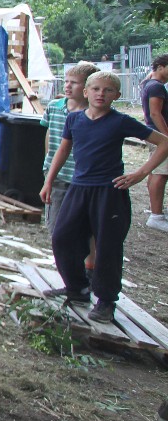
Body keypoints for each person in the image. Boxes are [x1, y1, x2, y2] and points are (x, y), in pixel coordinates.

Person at [41, 71, 168, 323]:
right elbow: (63, 150)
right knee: (63, 238)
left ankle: (106, 301)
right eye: (96, 89)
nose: (101, 94)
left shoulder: (120, 121)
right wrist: (48, 181)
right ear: (86, 92)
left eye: (108, 90)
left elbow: (163, 142)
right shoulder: (74, 119)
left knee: (108, 246)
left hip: (110, 192)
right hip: (79, 188)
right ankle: (77, 288)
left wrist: (141, 173)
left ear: (117, 95)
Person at [41, 61, 99, 235]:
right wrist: (48, 164)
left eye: (74, 82)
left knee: (83, 226)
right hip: (57, 175)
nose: (67, 86)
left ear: (87, 88)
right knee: (55, 225)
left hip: (83, 177)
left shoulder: (95, 113)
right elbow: (49, 135)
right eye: (66, 81)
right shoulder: (54, 107)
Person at [139, 55, 168, 232]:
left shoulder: (150, 84)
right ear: (160, 67)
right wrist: (166, 137)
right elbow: (155, 113)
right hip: (159, 136)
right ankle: (156, 217)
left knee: (156, 171)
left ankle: (155, 210)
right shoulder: (156, 86)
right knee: (161, 173)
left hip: (155, 134)